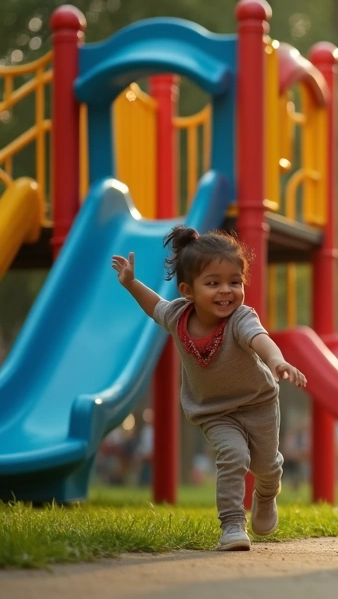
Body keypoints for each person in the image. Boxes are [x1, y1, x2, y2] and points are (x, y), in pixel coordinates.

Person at [112, 227, 307, 551]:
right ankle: (232, 525)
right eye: (213, 283)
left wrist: (277, 361)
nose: (226, 291)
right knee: (233, 455)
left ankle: (266, 493)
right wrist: (132, 283)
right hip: (214, 411)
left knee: (265, 467)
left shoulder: (240, 318)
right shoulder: (177, 315)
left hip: (257, 403)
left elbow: (261, 339)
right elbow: (155, 305)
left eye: (235, 281)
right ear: (188, 290)